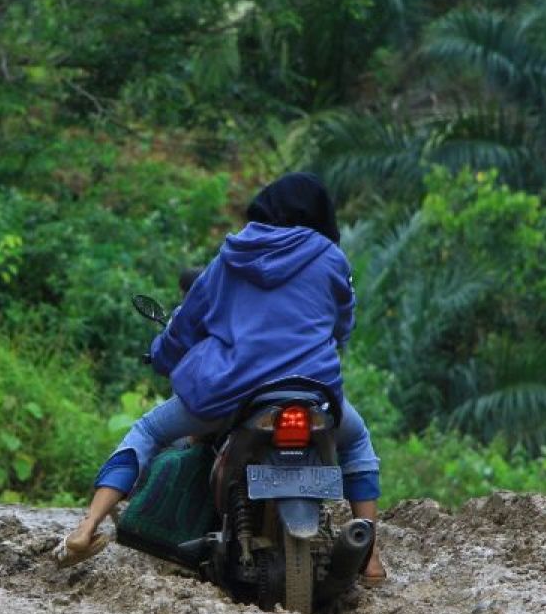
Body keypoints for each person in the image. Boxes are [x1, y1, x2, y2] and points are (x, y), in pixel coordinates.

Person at [55, 173, 386, 586]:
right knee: (356, 442)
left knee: (149, 430)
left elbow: (185, 326)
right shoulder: (331, 258)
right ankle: (369, 558)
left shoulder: (231, 256)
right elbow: (343, 325)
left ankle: (86, 529)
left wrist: (161, 355)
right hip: (312, 392)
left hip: (233, 395)